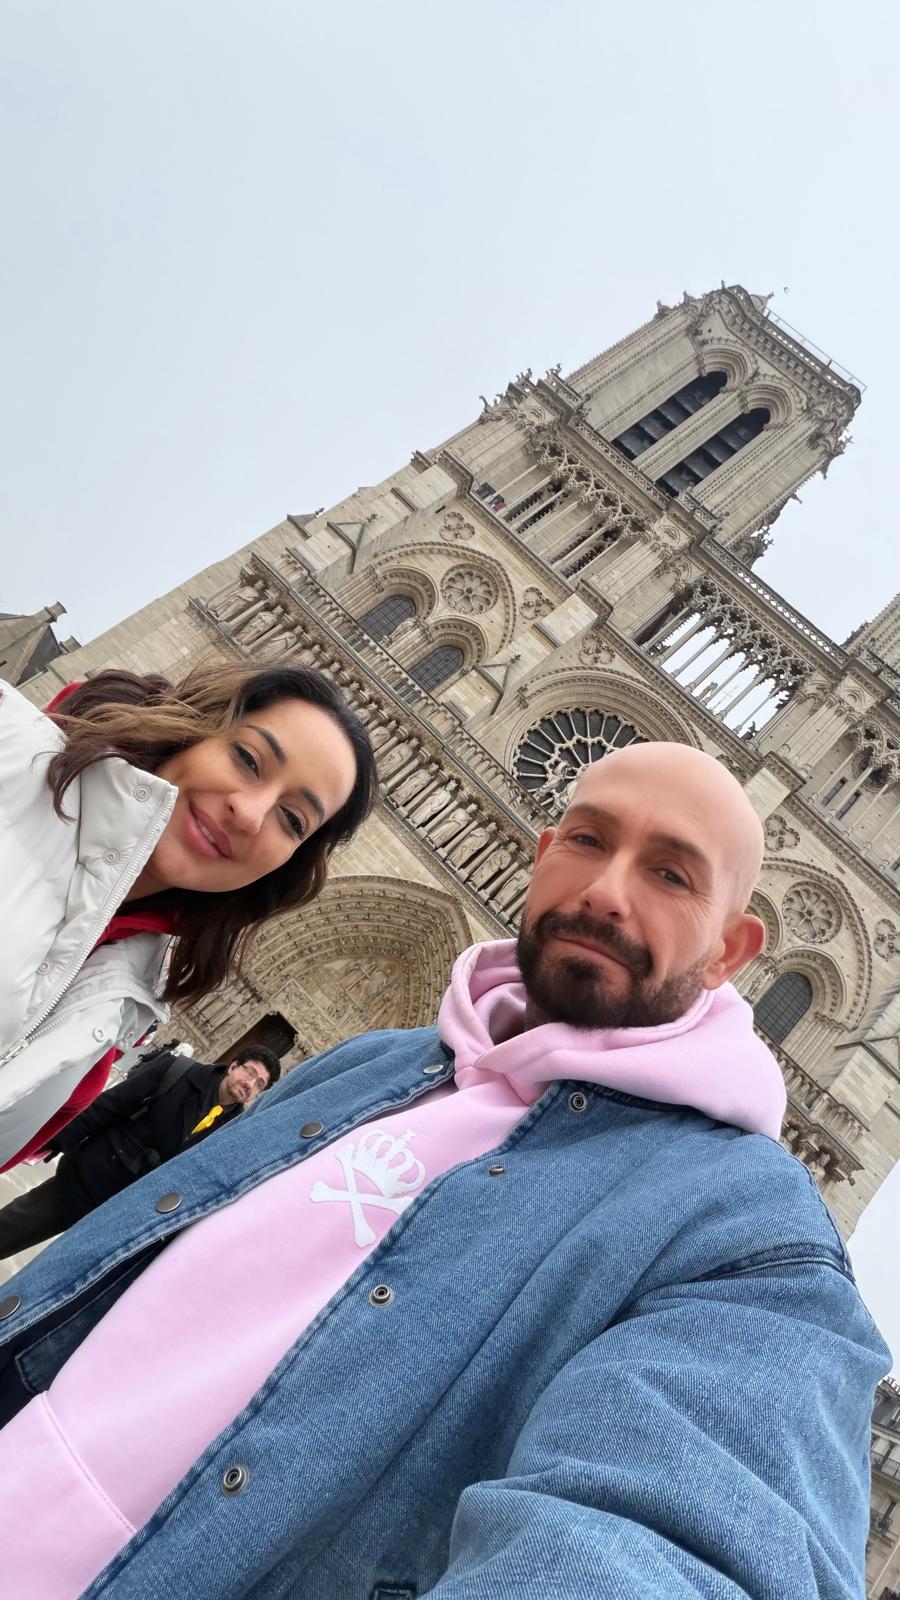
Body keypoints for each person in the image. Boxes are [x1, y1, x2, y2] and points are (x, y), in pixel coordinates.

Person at [0, 742, 889, 1600]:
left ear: (732, 951)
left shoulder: (749, 1232)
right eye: (587, 840)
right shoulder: (382, 1061)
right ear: (540, 858)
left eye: (671, 874)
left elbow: (698, 1541)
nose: (608, 892)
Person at [0, 662, 376, 1170]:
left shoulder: (135, 987)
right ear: (195, 725)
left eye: (292, 820)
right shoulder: (10, 755)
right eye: (247, 758)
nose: (249, 812)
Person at [0, 1044, 281, 1258]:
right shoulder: (179, 1072)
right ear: (234, 1066)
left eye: (259, 1084)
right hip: (90, 1175)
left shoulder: (233, 1129)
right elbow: (109, 1105)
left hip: (121, 1215)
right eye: (250, 1072)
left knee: (51, 1272)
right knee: (15, 1227)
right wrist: (54, 1141)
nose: (250, 1084)